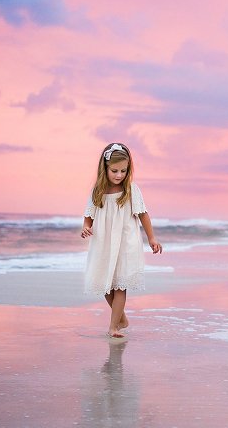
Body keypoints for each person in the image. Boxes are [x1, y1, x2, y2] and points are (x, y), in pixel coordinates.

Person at [81, 142, 162, 339]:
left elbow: (143, 215)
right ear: (105, 168)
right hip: (104, 242)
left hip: (126, 242)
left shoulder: (131, 190)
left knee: (119, 285)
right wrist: (86, 228)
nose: (119, 175)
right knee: (104, 284)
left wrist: (151, 238)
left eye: (123, 171)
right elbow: (88, 215)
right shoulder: (97, 191)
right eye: (114, 171)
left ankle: (113, 327)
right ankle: (121, 318)